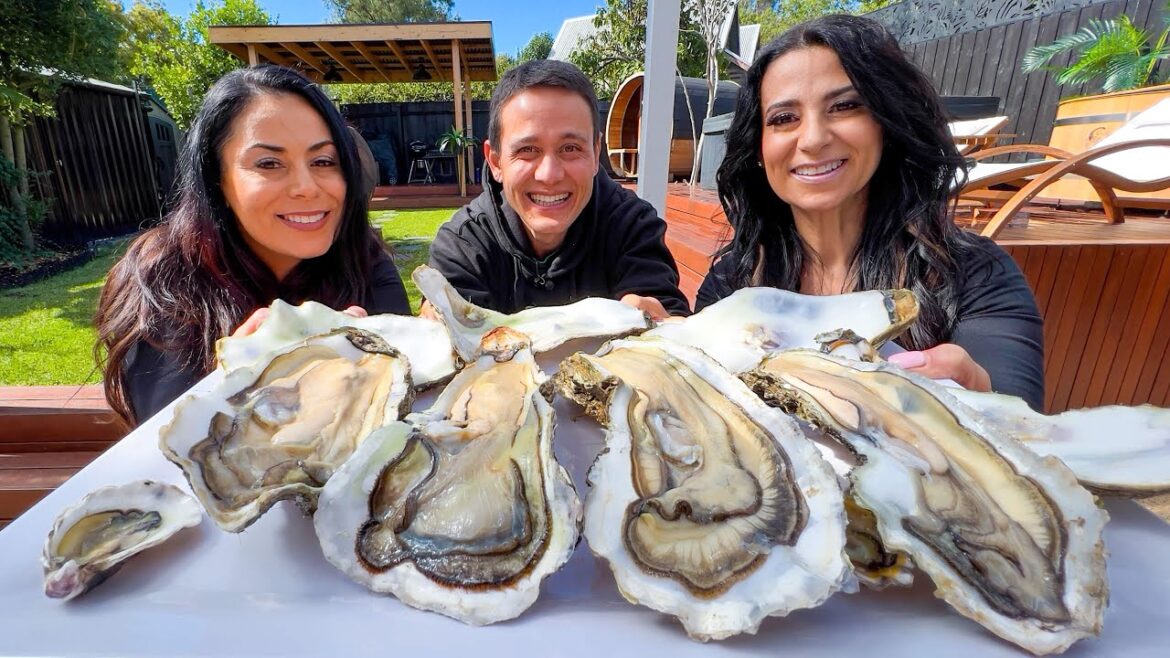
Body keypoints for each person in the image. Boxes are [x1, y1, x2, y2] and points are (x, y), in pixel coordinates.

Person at [698, 15, 1044, 409]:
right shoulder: (733, 280)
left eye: (844, 106)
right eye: (783, 118)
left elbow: (1024, 429)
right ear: (758, 148)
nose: (812, 138)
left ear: (887, 123)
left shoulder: (977, 275)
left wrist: (986, 397)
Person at [96, 65, 410, 426]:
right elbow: (167, 445)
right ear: (218, 181)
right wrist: (235, 384)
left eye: (323, 161)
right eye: (269, 163)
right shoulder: (163, 282)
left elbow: (402, 396)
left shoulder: (363, 260)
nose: (306, 186)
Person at [426, 59, 690, 320]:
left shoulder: (632, 224)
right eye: (527, 150)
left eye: (570, 148)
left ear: (596, 152)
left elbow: (667, 312)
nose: (550, 175)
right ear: (496, 162)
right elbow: (453, 344)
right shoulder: (463, 245)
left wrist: (659, 321)